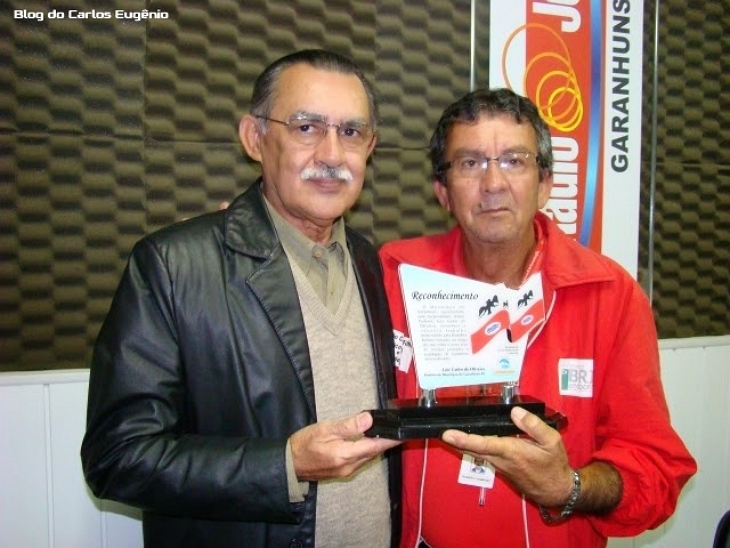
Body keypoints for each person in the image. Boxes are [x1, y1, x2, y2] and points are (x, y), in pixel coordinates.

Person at [81, 49, 402, 548]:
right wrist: (284, 466)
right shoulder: (174, 266)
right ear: (255, 138)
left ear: (370, 147)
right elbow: (117, 457)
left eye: (351, 132)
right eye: (306, 128)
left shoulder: (373, 264)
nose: (332, 155)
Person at [378, 88, 697, 548]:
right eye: (470, 162)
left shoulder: (610, 296)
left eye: (514, 161)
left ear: (545, 183)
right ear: (443, 192)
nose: (493, 183)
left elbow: (657, 471)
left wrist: (567, 487)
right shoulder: (396, 275)